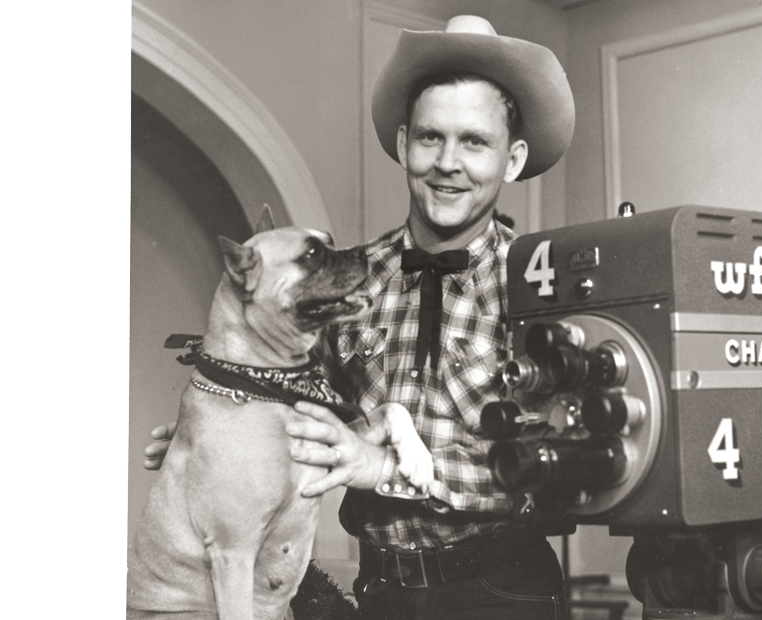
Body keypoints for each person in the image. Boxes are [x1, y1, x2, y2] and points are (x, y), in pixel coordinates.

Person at [144, 15, 575, 620]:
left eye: (475, 142)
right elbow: (299, 407)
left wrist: (384, 467)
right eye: (430, 137)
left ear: (513, 159)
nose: (448, 161)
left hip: (503, 592)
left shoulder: (544, 285)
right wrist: (221, 435)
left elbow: (558, 472)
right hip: (380, 593)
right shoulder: (344, 279)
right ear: (403, 144)